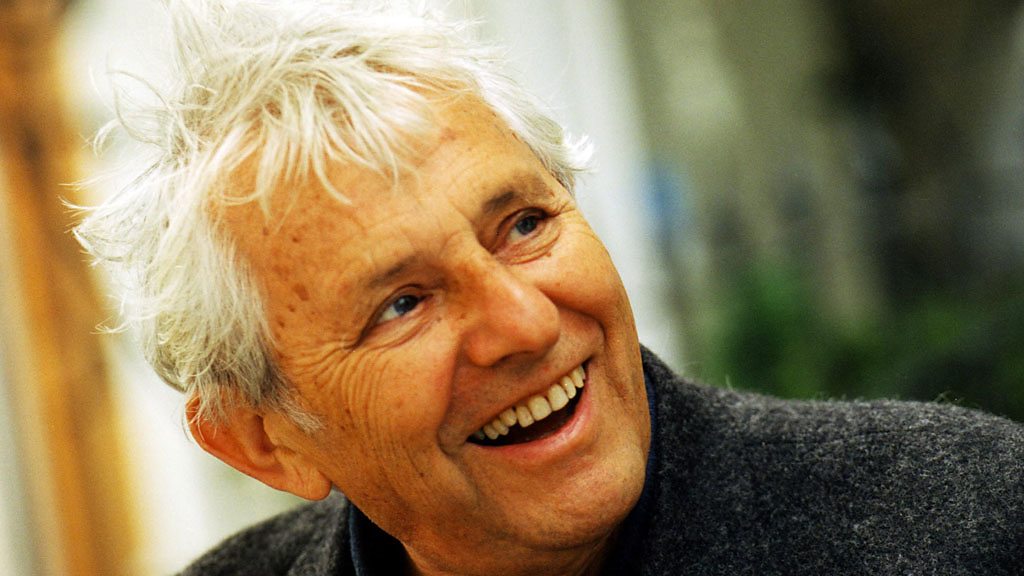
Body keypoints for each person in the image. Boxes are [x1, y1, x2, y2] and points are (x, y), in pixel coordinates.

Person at [75, 1, 1024, 575]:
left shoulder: (962, 525)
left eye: (524, 226)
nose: (524, 323)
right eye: (402, 304)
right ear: (262, 440)